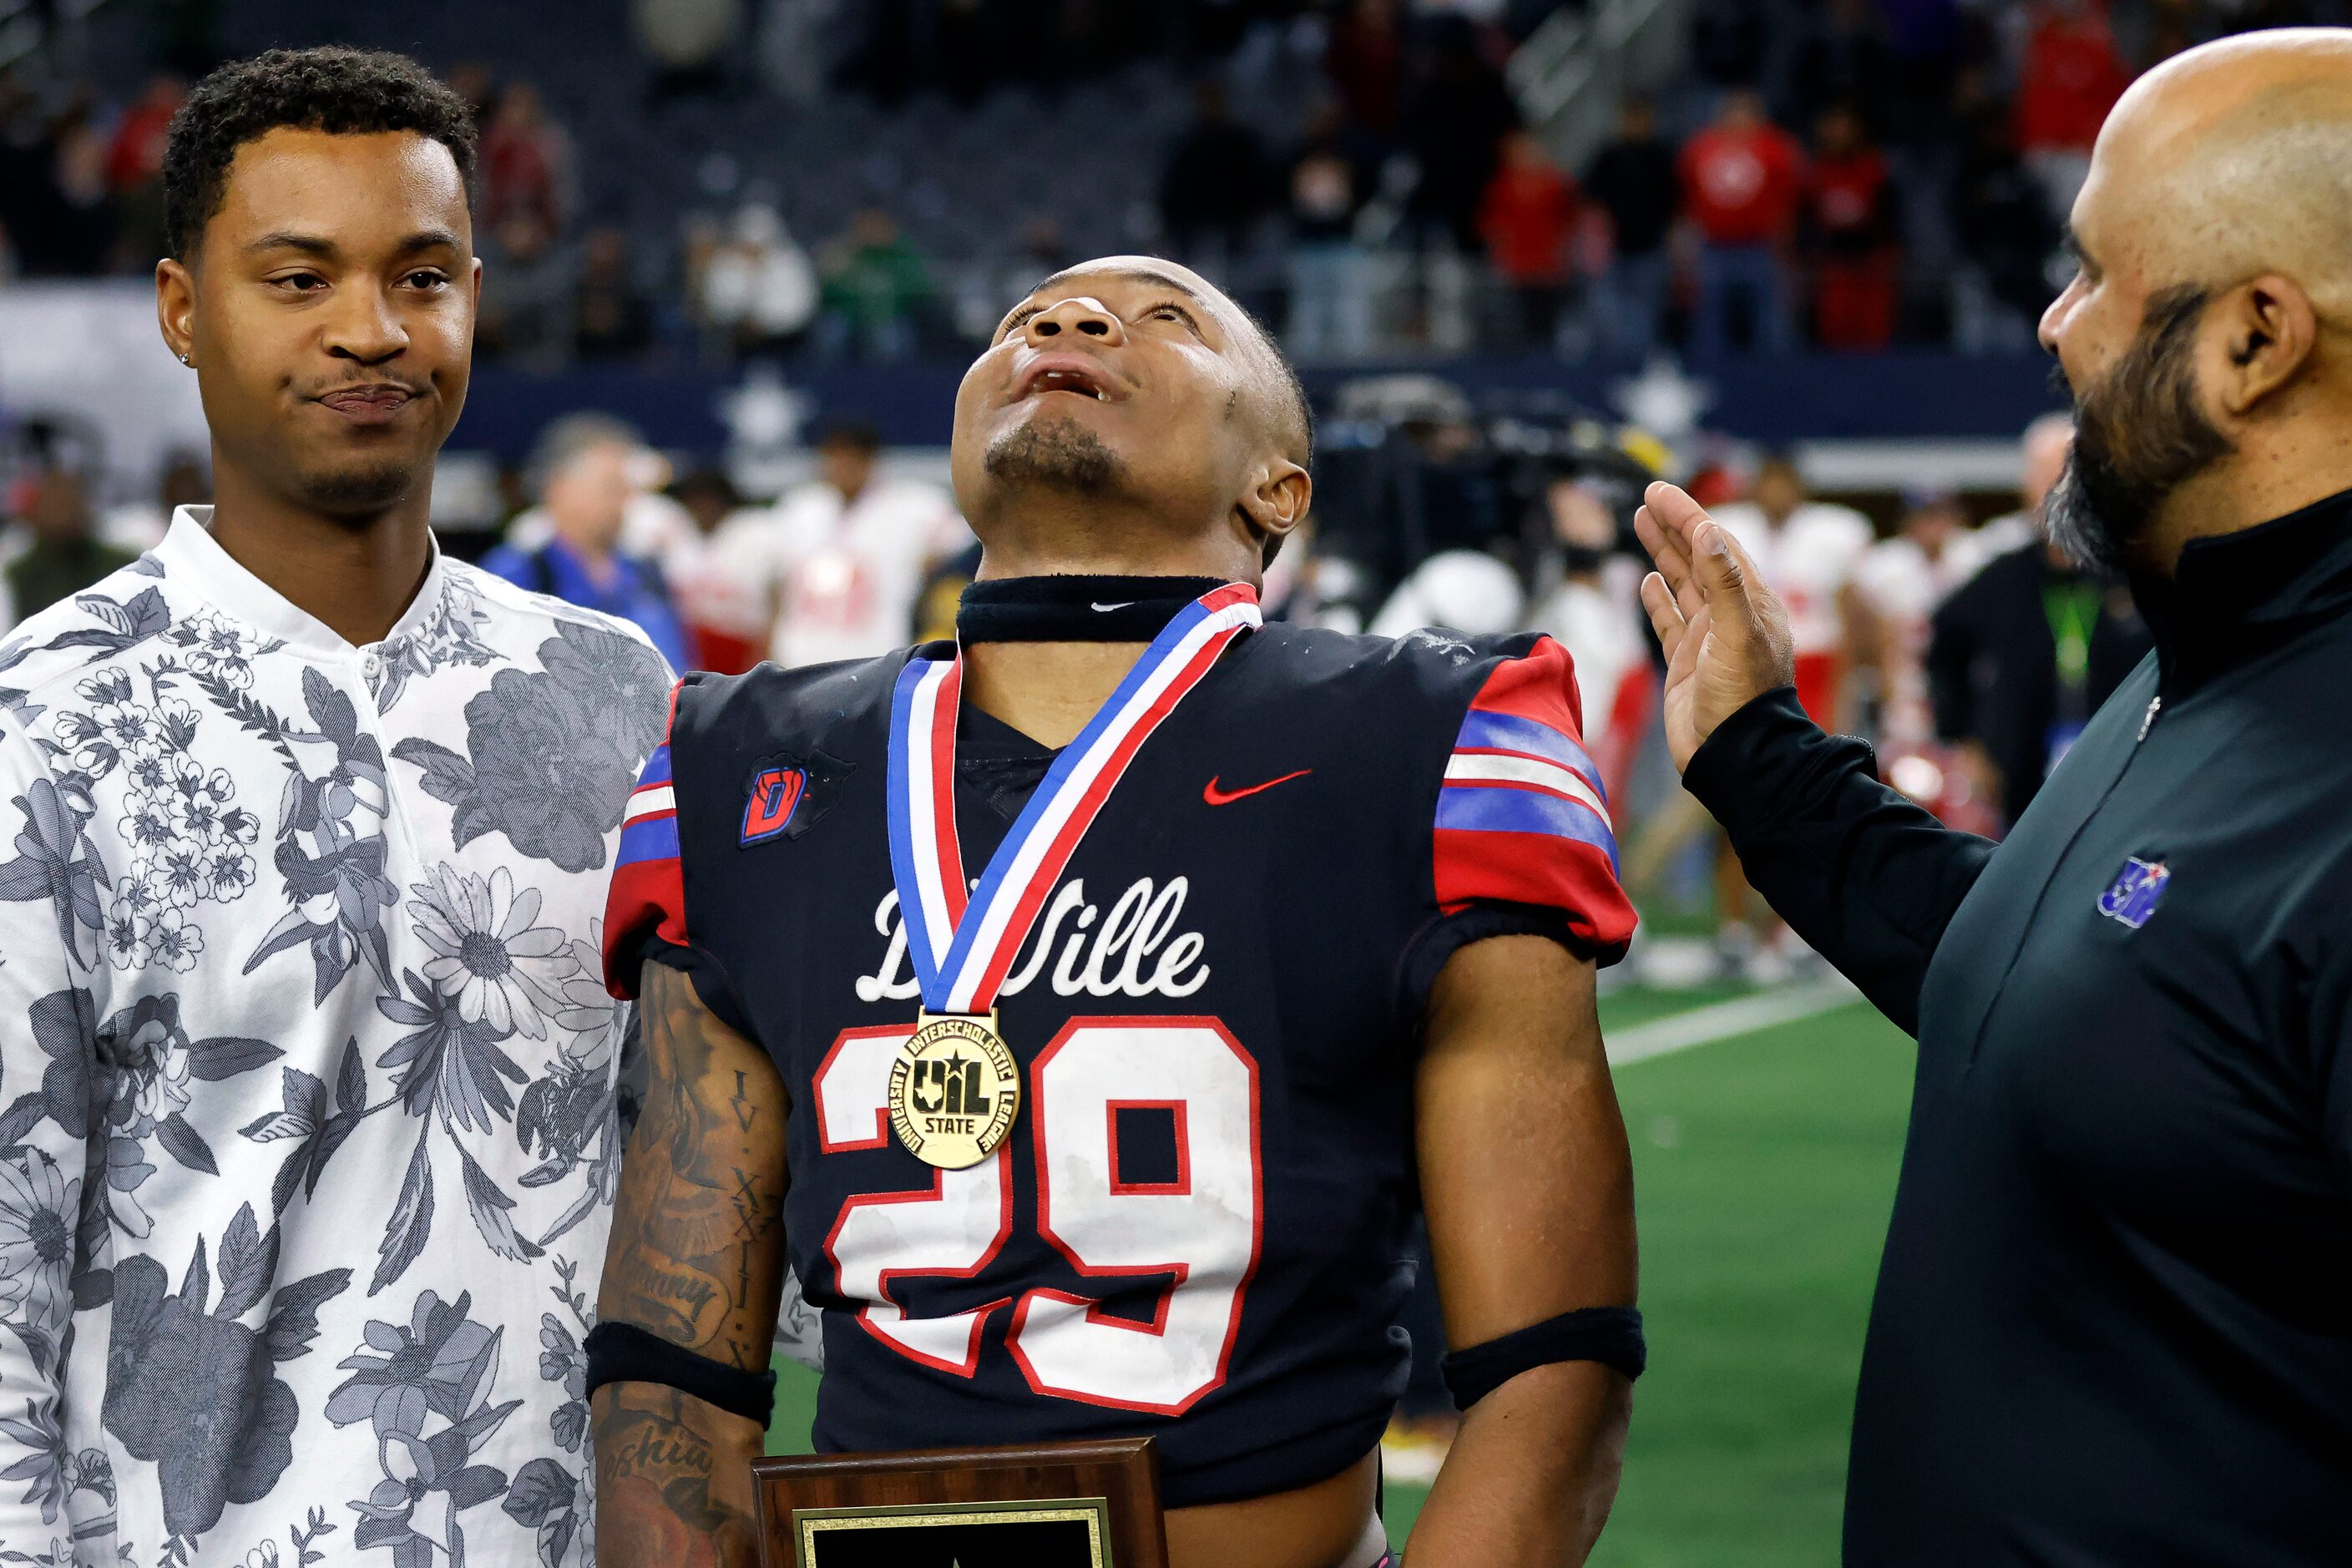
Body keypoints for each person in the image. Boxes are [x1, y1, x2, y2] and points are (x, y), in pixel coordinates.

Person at [592, 257, 1645, 1568]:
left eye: (1168, 321)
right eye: (1022, 313)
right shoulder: (738, 763)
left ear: (1279, 488)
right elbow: (672, 1368)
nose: (1067, 319)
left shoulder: (1428, 741)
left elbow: (1555, 1363)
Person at [1633, 30, 2352, 1563]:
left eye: (2093, 272)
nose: (2050, 324)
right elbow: (2074, 983)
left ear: (2255, 339)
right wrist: (1757, 748)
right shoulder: (2221, 659)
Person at [0, 48, 671, 1562]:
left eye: (420, 277)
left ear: (476, 298)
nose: (370, 331)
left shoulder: (616, 693)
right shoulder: (40, 719)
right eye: (298, 280)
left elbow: (695, 1161)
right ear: (184, 310)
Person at [483, 422, 691, 670]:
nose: (625, 501)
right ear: (559, 489)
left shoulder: (648, 575)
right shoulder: (513, 577)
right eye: (611, 488)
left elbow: (683, 675)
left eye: (627, 490)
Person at [766, 420, 970, 669]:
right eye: (833, 455)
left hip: (878, 657)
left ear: (870, 459)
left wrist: (932, 578)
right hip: (799, 659)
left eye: (850, 457)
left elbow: (966, 551)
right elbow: (776, 586)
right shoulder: (800, 509)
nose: (841, 466)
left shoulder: (913, 507)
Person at [1679, 88, 1805, 357]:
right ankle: (1709, 375)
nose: (1738, 117)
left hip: (1760, 246)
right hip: (1714, 245)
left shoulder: (1775, 148)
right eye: (1733, 110)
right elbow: (1687, 195)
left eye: (1744, 110)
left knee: (1770, 316)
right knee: (1710, 315)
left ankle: (1777, 379)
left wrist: (1784, 234)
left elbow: (1790, 195)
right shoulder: (1702, 147)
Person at [660, 464, 779, 675]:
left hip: (740, 649)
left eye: (709, 498)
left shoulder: (753, 533)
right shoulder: (675, 535)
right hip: (688, 653)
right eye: (695, 498)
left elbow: (778, 598)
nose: (702, 506)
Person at [1584, 99, 1680, 359]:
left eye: (1642, 119)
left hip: (1650, 244)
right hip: (1615, 247)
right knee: (1611, 308)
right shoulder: (1611, 154)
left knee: (1647, 308)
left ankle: (1642, 359)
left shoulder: (1660, 155)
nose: (1636, 125)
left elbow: (1675, 200)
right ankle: (1616, 359)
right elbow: (1588, 192)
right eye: (1631, 119)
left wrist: (1669, 234)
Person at [1479, 129, 1581, 354]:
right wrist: (1499, 255)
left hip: (1548, 266)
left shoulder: (1555, 183)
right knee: (1516, 323)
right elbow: (1493, 225)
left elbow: (1569, 220)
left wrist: (1563, 251)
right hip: (1517, 266)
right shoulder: (1502, 186)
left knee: (1546, 321)